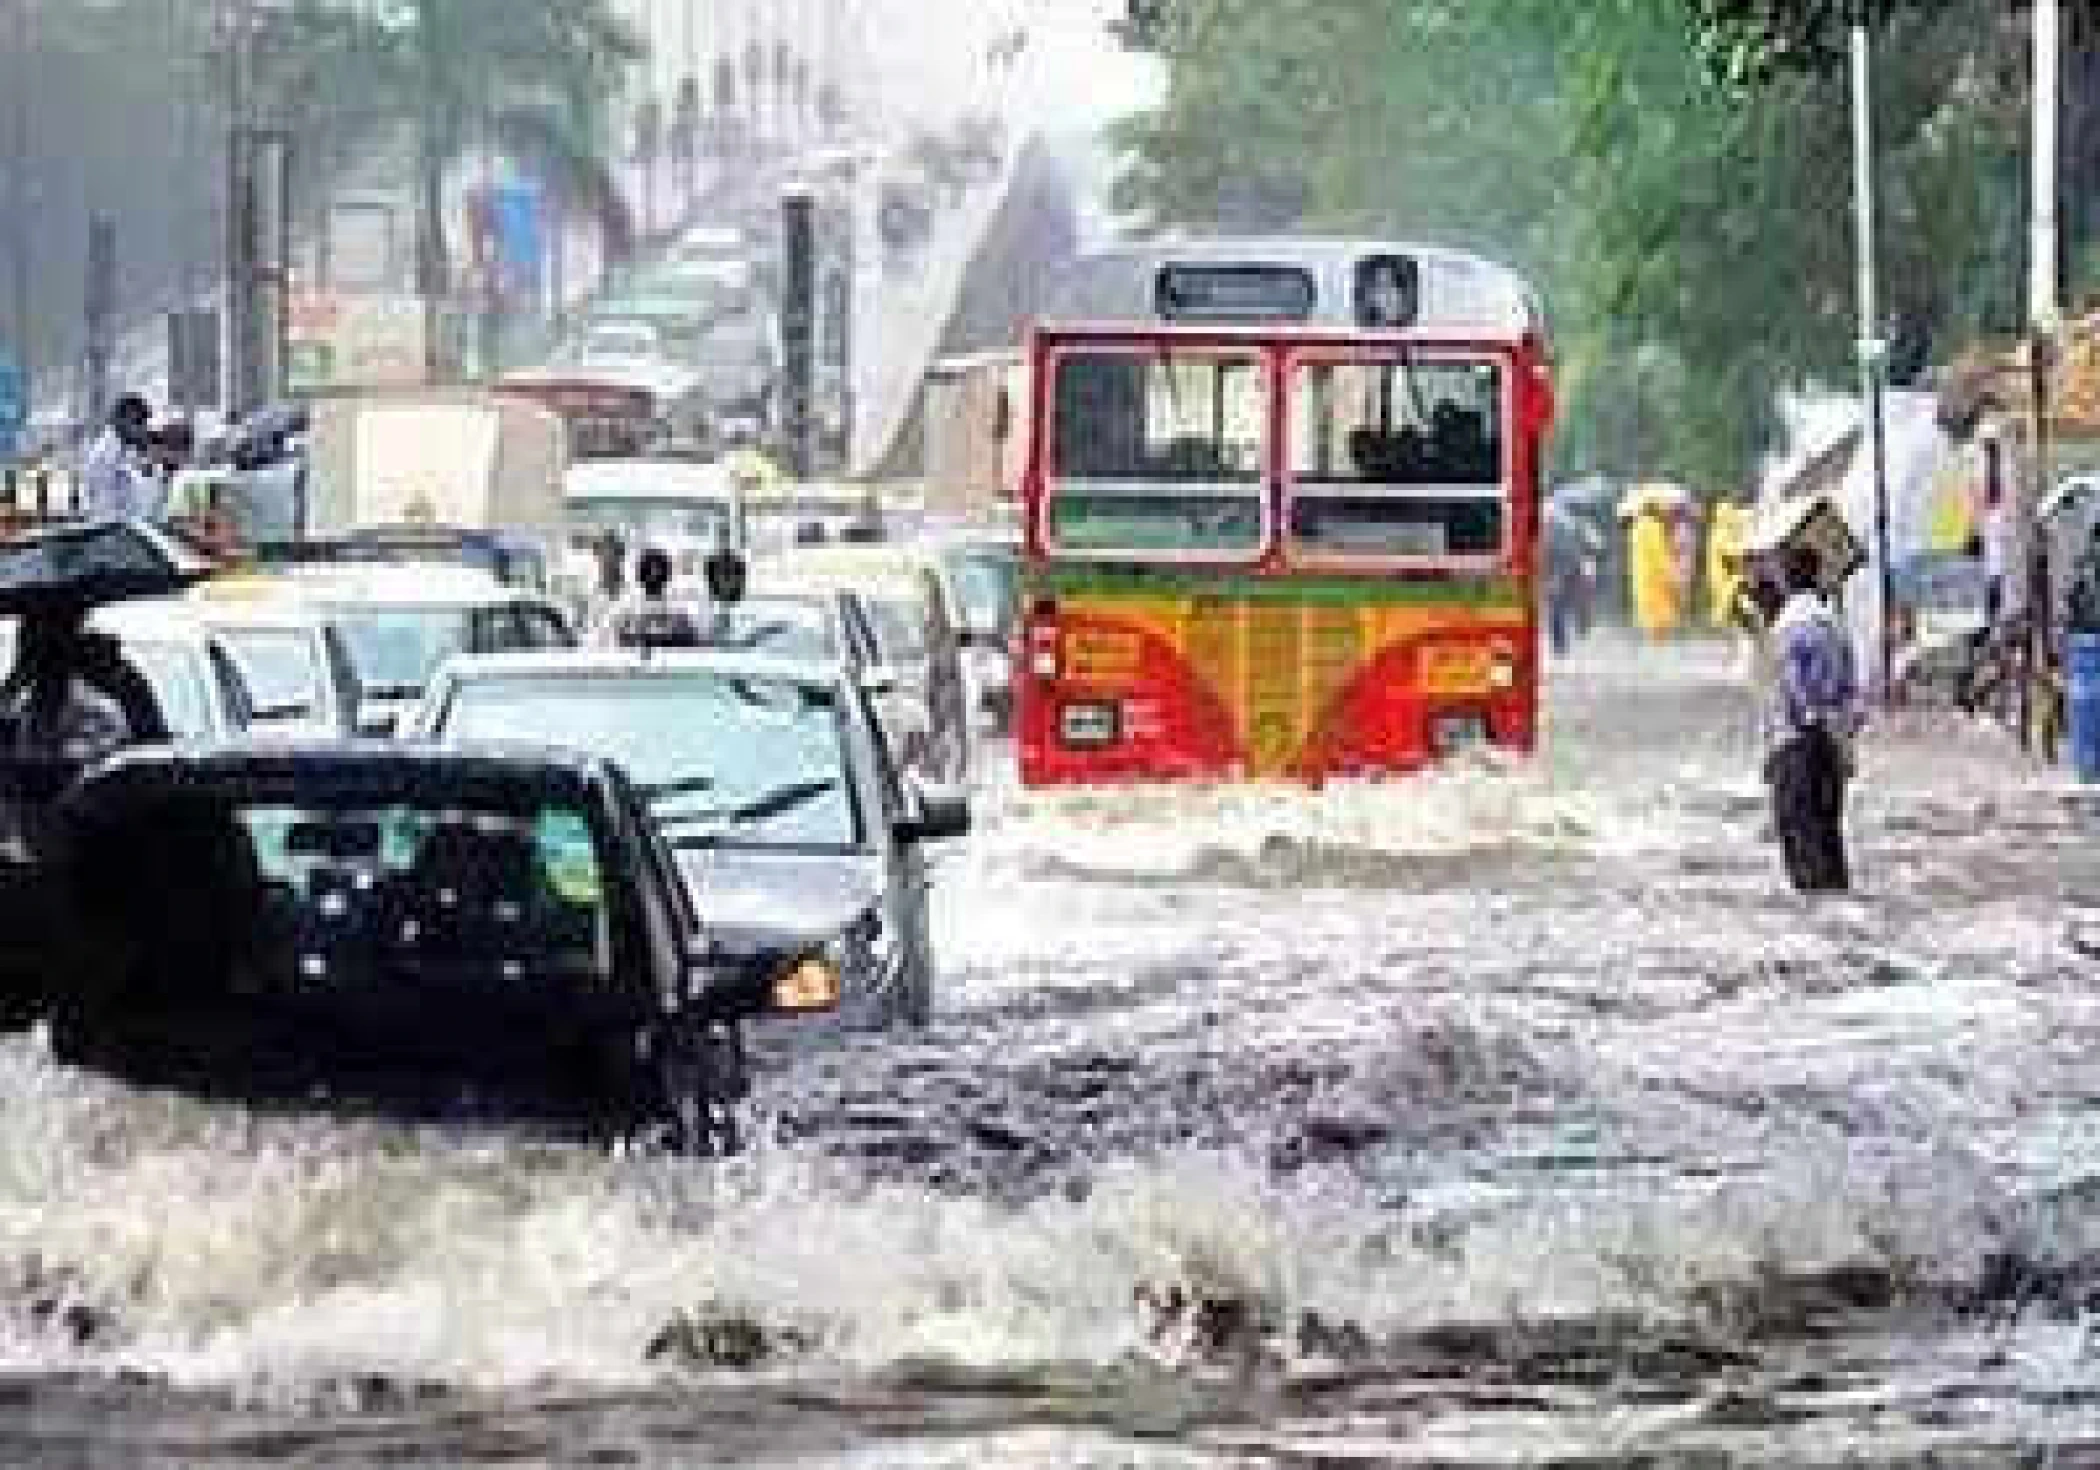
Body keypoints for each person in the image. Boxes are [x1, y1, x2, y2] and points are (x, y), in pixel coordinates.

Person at [1765, 543, 1861, 893]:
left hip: (1797, 744)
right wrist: (1843, 738)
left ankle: (1816, 936)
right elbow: (1852, 690)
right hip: (1831, 745)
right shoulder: (1833, 624)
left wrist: (1808, 721)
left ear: (1786, 579)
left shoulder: (1788, 628)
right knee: (1829, 841)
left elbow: (1793, 690)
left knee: (1801, 844)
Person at [600, 545, 701, 648]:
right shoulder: (627, 608)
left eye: (658, 569)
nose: (654, 574)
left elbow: (690, 640)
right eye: (649, 569)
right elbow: (614, 639)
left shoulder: (677, 606)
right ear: (640, 573)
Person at [81, 395, 162, 522]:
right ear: (120, 420)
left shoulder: (123, 453)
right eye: (138, 422)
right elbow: (105, 509)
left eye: (144, 423)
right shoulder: (105, 455)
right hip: (113, 533)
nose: (143, 429)